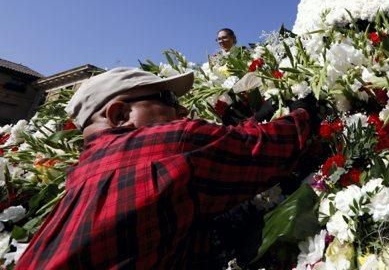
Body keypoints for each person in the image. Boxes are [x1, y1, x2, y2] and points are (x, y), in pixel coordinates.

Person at [16, 67, 316, 269]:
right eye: (168, 99)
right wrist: (302, 113)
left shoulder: (80, 176)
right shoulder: (168, 143)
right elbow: (272, 148)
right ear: (120, 114)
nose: (183, 110)